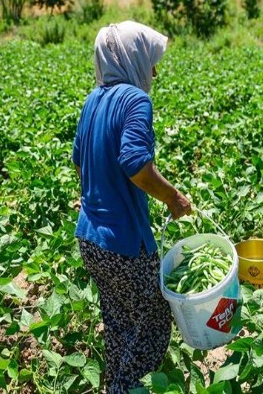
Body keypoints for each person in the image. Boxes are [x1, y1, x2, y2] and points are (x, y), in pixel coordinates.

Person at [72, 21, 192, 393]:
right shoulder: (135, 100)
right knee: (154, 324)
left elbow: (79, 160)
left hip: (90, 239)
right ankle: (124, 389)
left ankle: (116, 382)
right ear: (131, 57)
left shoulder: (93, 99)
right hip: (123, 243)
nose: (154, 70)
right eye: (150, 60)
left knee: (121, 319)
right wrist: (173, 197)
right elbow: (135, 162)